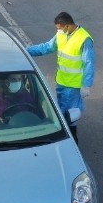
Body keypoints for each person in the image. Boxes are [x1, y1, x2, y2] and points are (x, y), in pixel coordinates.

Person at [27, 11, 94, 143]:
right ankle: (67, 137)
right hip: (61, 81)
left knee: (68, 116)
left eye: (60, 28)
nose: (58, 31)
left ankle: (71, 140)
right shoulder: (61, 34)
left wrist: (86, 85)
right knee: (61, 112)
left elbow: (89, 64)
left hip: (74, 85)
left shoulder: (84, 39)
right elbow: (47, 47)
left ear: (67, 26)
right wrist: (26, 50)